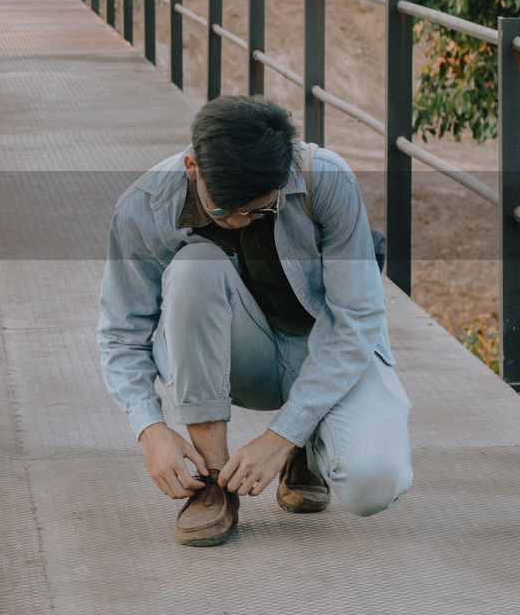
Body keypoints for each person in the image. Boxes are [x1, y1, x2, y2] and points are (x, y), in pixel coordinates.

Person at [96, 95, 412, 546]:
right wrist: (149, 428)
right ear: (192, 167)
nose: (242, 220)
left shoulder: (325, 178)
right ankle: (213, 481)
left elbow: (357, 317)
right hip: (243, 357)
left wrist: (284, 435)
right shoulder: (143, 208)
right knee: (194, 268)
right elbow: (121, 334)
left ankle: (307, 448)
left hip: (324, 351)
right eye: (226, 211)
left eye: (261, 210)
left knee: (373, 484)